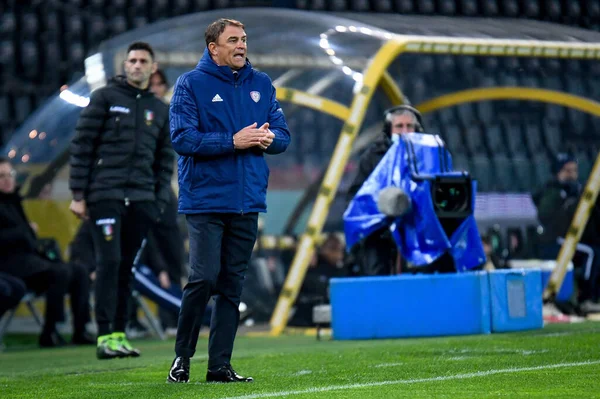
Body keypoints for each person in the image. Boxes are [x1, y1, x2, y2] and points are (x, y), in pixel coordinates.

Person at [166, 18, 290, 384]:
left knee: (232, 286)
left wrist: (269, 140)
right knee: (203, 278)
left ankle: (219, 365)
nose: (241, 46)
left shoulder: (262, 84)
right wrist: (231, 141)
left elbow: (283, 136)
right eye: (233, 40)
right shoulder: (190, 85)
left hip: (247, 200)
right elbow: (182, 138)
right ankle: (181, 357)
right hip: (205, 200)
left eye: (244, 40)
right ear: (213, 48)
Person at [69, 42, 174, 359]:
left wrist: (156, 203)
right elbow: (82, 146)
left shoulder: (160, 110)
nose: (137, 65)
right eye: (132, 60)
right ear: (125, 65)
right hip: (106, 195)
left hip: (141, 201)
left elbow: (164, 161)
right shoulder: (104, 98)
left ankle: (118, 333)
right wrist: (78, 195)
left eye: (143, 61)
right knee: (109, 262)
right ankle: (104, 336)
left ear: (152, 67)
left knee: (127, 267)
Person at [0, 158, 93, 347]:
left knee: (79, 271)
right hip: (10, 264)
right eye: (1, 176)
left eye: (10, 175)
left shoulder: (14, 199)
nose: (7, 180)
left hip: (31, 261)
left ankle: (80, 329)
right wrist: (25, 231)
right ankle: (50, 331)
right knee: (59, 272)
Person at [345, 105, 423, 276]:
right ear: (389, 129)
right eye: (399, 126)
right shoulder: (372, 157)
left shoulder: (427, 155)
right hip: (379, 235)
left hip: (418, 232)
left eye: (409, 126)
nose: (404, 131)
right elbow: (356, 196)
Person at [533, 152, 600, 314]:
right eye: (567, 171)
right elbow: (548, 217)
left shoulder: (577, 191)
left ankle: (592, 296)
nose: (572, 175)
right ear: (558, 172)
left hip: (573, 238)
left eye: (574, 171)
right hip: (555, 240)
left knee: (594, 249)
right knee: (591, 253)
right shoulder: (552, 192)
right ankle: (586, 299)